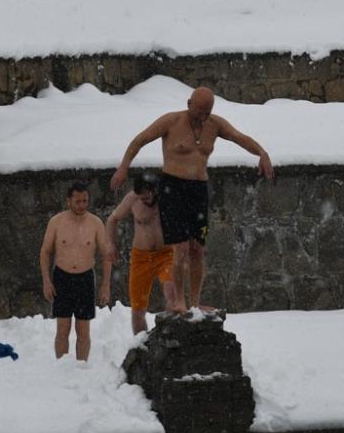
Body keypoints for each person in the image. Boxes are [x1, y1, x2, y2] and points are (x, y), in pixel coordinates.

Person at [110, 86, 274, 312]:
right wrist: (123, 167)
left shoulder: (215, 125)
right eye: (199, 111)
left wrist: (262, 153)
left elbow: (238, 137)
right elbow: (140, 140)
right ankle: (179, 301)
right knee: (181, 248)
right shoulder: (171, 121)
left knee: (198, 249)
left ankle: (195, 303)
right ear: (189, 104)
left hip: (199, 191)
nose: (203, 117)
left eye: (207, 112)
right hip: (173, 189)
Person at [99, 173, 178, 334]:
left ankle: (172, 334)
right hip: (141, 258)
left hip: (166, 254)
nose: (145, 200)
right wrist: (110, 244)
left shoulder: (168, 197)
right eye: (142, 197)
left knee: (171, 292)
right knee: (137, 310)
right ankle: (142, 347)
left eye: (148, 196)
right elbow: (112, 219)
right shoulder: (132, 199)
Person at [39, 180, 107, 362]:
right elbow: (45, 252)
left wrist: (105, 285)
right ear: (68, 200)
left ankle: (81, 367)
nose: (81, 205)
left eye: (85, 201)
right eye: (77, 201)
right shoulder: (56, 222)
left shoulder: (96, 223)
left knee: (83, 329)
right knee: (63, 328)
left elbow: (106, 255)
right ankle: (62, 367)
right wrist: (46, 281)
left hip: (85, 278)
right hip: (62, 277)